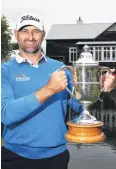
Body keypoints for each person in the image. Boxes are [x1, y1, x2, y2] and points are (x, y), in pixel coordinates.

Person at [1, 13, 115, 169]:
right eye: (25, 31)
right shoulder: (4, 71)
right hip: (15, 157)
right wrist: (48, 89)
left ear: (43, 35)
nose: (31, 36)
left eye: (36, 31)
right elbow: (6, 115)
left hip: (56, 157)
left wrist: (96, 86)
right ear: (16, 34)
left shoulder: (60, 68)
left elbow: (79, 106)